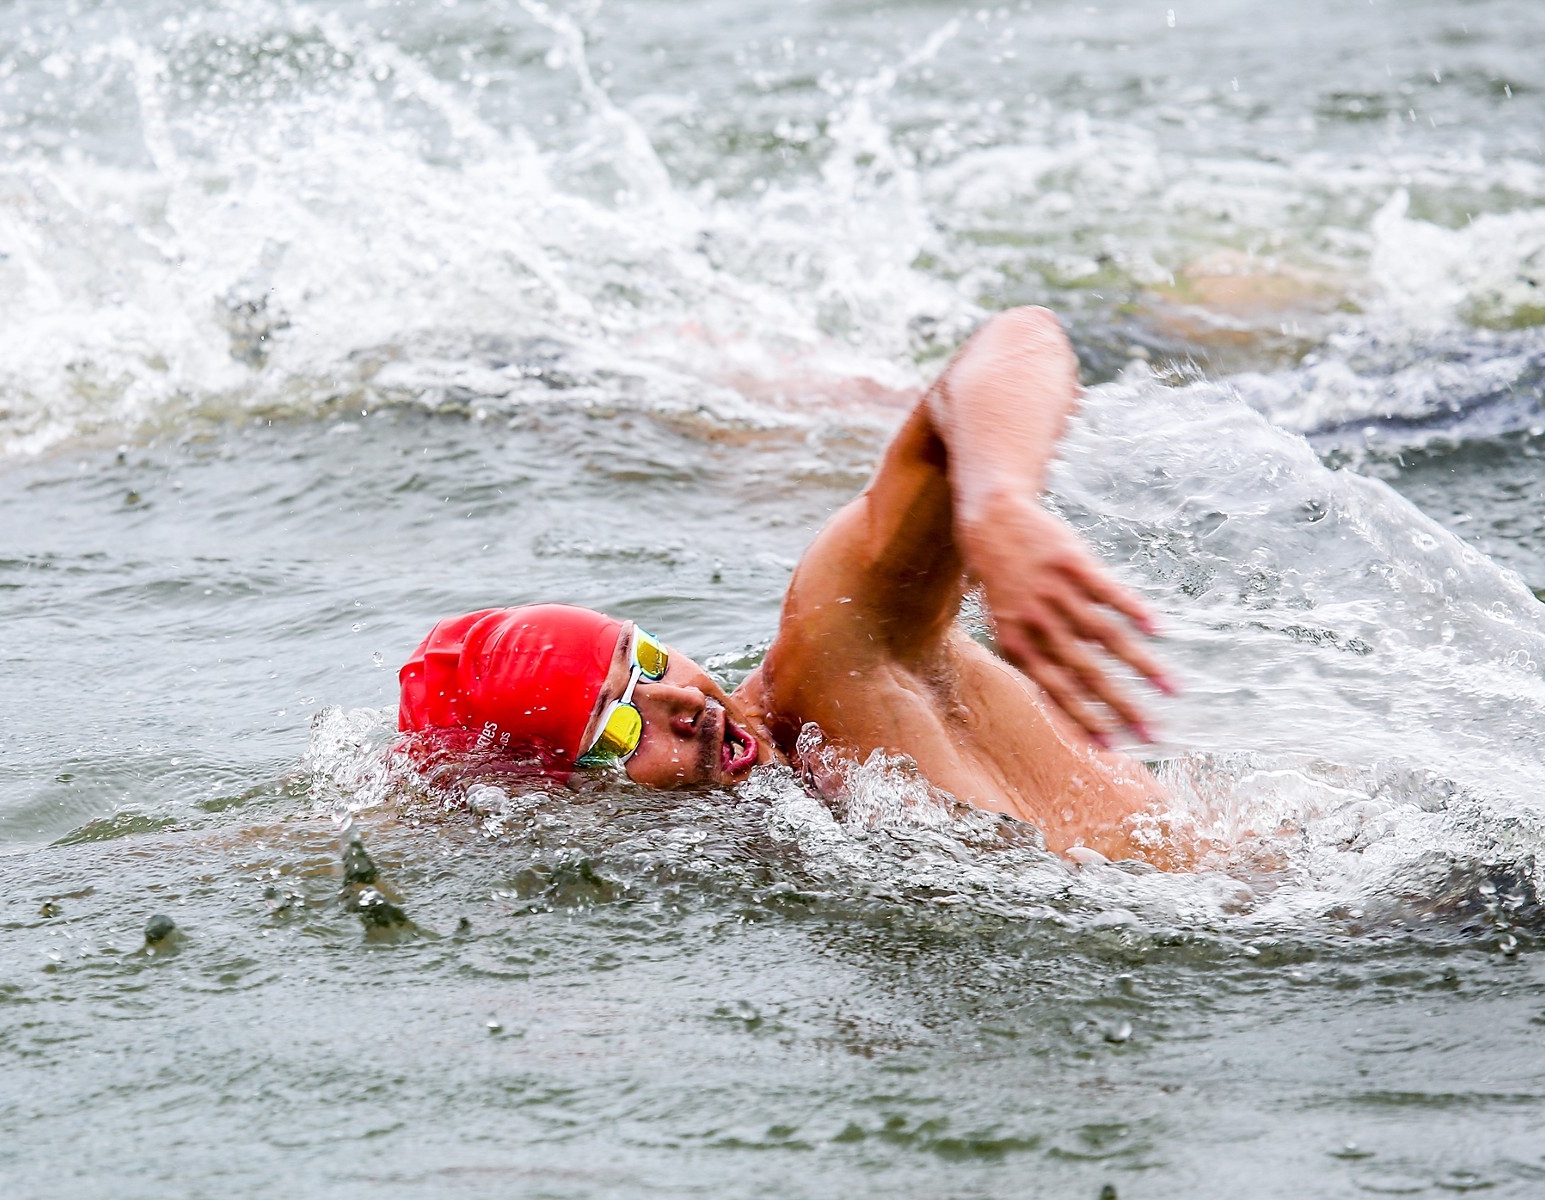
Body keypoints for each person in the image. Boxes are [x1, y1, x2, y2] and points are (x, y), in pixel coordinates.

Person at [398, 307, 1178, 864]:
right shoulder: (774, 838)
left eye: (647, 661)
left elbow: (1016, 339)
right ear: (560, 802)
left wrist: (997, 505)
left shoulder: (835, 662)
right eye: (620, 728)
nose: (683, 705)